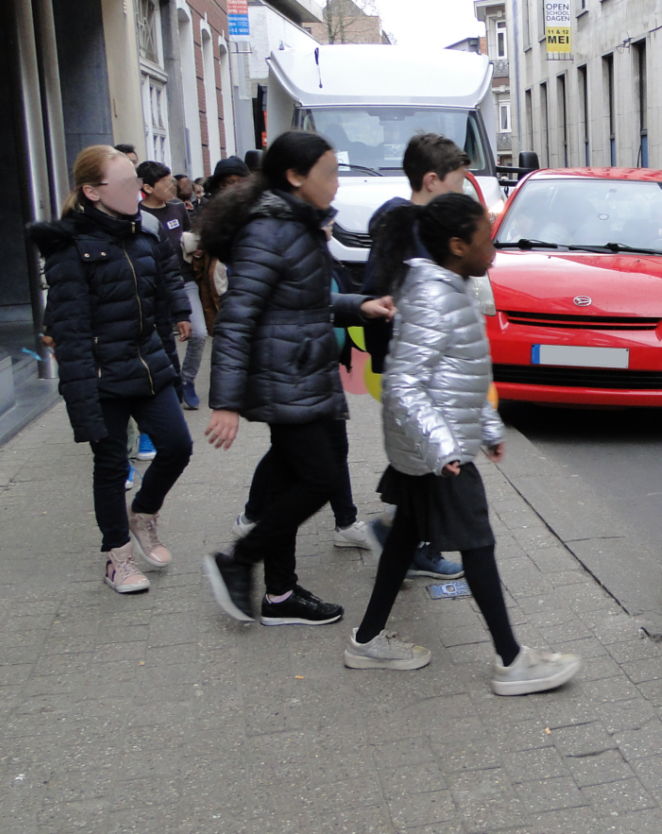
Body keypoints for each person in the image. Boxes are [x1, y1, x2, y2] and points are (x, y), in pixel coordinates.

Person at [344, 191, 583, 694]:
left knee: (405, 538)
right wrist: (446, 449)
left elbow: (461, 373)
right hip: (436, 453)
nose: (493, 250)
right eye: (486, 241)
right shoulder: (436, 296)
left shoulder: (449, 288)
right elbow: (406, 384)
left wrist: (488, 428)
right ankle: (512, 660)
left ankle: (366, 641)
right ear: (457, 245)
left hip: (432, 446)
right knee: (477, 542)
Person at [198, 131, 395, 626]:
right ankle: (238, 562)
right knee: (320, 479)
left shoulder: (297, 224)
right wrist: (224, 402)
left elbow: (303, 303)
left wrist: (360, 306)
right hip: (286, 377)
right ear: (294, 177)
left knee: (291, 479)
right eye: (328, 173)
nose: (336, 183)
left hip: (304, 371)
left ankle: (280, 596)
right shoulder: (270, 231)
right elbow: (238, 317)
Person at [28, 145, 193, 593]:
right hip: (102, 375)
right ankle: (116, 558)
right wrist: (82, 402)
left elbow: (161, 297)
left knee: (177, 446)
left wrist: (173, 344)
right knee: (110, 465)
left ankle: (143, 513)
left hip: (148, 366)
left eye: (135, 181)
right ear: (92, 192)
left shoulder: (145, 234)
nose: (135, 190)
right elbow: (71, 330)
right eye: (124, 184)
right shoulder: (70, 248)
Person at [356, 132, 481, 582]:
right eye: (458, 182)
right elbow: (391, 298)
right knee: (435, 456)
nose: (464, 191)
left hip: (417, 365)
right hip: (421, 368)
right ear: (432, 180)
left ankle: (399, 536)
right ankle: (405, 540)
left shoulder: (408, 226)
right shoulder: (410, 230)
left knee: (420, 458)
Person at [138, 160, 207, 410]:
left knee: (199, 333)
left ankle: (187, 379)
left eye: (171, 182)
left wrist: (196, 249)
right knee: (164, 341)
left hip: (184, 280)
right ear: (146, 187)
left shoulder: (178, 208)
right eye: (165, 183)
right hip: (154, 288)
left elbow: (190, 236)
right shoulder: (138, 215)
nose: (172, 187)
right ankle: (167, 388)